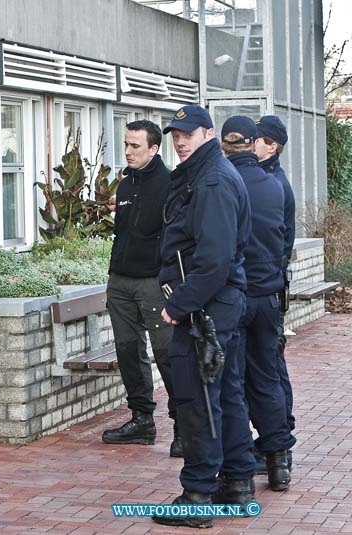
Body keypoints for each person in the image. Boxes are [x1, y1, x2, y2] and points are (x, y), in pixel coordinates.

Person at [152, 105, 256, 529]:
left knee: (198, 400)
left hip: (205, 308)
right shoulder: (203, 174)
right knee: (225, 394)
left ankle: (198, 494)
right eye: (176, 133)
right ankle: (236, 481)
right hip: (217, 303)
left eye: (189, 133)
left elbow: (213, 261)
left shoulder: (211, 180)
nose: (180, 140)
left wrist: (179, 305)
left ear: (209, 134)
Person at [222, 115, 294, 495]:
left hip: (237, 296)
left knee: (232, 382)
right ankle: (279, 459)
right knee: (267, 377)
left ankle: (239, 470)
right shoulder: (276, 186)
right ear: (253, 145)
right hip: (268, 294)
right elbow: (284, 243)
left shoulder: (223, 183)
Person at [102, 120, 181, 457]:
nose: (128, 151)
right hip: (120, 280)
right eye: (126, 145)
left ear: (154, 148)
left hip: (153, 282)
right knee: (128, 351)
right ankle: (141, 420)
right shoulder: (125, 184)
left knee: (167, 354)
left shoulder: (169, 184)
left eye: (135, 146)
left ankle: (184, 427)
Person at [255, 115, 296, 473]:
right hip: (270, 286)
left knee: (270, 367)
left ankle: (279, 438)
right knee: (270, 365)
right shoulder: (269, 179)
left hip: (266, 288)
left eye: (258, 139)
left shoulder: (273, 183)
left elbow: (282, 242)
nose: (252, 143)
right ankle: (278, 440)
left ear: (273, 146)